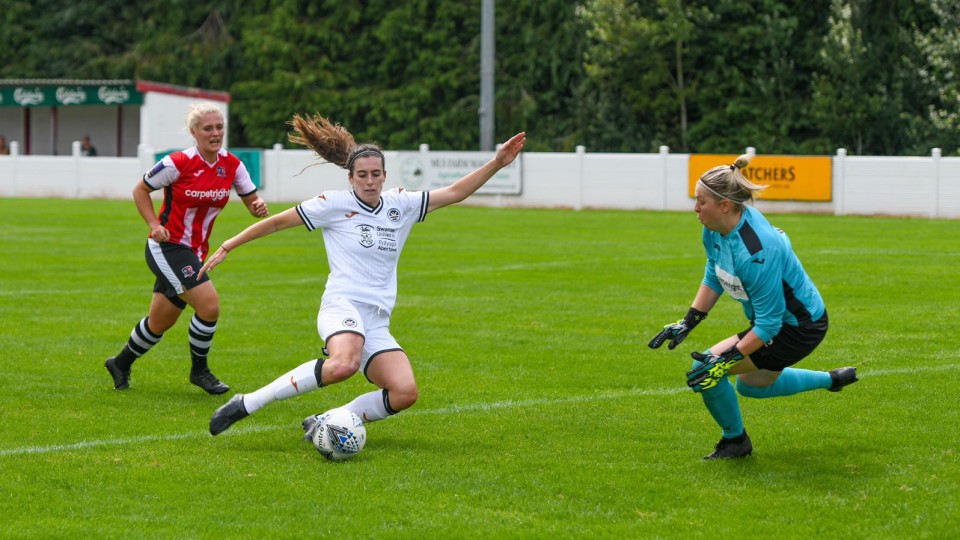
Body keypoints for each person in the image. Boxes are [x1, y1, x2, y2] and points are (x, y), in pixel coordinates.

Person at [202, 112, 525, 438]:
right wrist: (229, 245)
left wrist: (497, 163)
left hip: (377, 320)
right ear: (351, 178)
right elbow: (276, 222)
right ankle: (247, 403)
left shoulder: (402, 204)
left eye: (375, 174)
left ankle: (328, 419)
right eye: (362, 175)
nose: (369, 181)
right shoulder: (333, 204)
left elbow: (456, 192)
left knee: (404, 392)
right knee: (343, 365)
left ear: (384, 176)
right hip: (342, 306)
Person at [648, 153, 858, 460]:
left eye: (700, 201)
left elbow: (770, 325)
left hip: (797, 328)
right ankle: (832, 380)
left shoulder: (757, 250)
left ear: (725, 204)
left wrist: (725, 359)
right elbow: (715, 272)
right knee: (751, 386)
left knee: (705, 368)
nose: (695, 208)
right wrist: (688, 321)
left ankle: (736, 443)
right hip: (773, 321)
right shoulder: (715, 227)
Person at [104, 102, 269, 393]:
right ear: (194, 132)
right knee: (209, 305)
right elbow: (140, 190)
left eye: (219, 127)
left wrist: (257, 207)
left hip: (195, 252)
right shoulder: (177, 163)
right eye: (208, 128)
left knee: (160, 322)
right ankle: (200, 372)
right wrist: (154, 224)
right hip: (168, 246)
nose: (215, 133)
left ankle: (120, 362)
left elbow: (252, 204)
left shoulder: (232, 165)